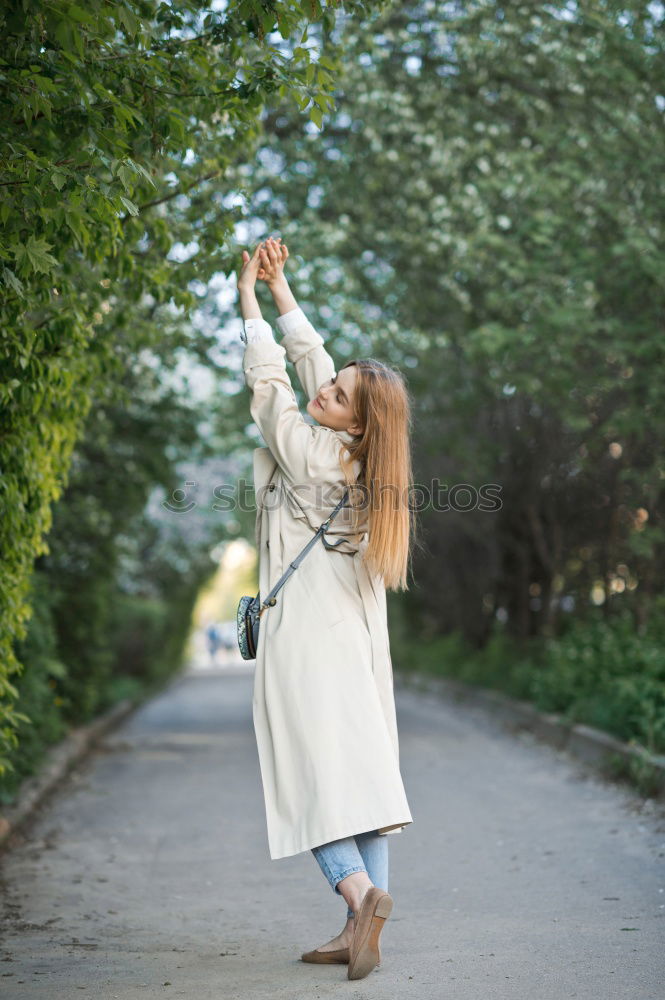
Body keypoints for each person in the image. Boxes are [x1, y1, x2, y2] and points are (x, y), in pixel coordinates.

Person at [237, 236, 415, 980]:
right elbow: (313, 371)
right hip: (356, 629)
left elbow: (272, 388)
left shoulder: (311, 455)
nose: (327, 393)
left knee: (306, 772)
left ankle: (358, 893)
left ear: (355, 422)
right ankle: (358, 928)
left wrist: (246, 298)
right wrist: (284, 292)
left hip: (308, 628)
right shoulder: (366, 455)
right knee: (363, 780)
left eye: (340, 397)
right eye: (335, 384)